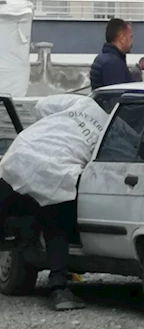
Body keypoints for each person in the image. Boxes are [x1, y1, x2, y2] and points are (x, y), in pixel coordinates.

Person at [0, 95, 109, 311]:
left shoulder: (83, 103)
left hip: (23, 152)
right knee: (56, 226)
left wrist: (53, 127)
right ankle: (58, 289)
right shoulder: (115, 131)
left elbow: (41, 105)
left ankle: (25, 234)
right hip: (57, 171)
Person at [90, 19, 134, 90]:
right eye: (130, 37)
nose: (132, 42)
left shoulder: (103, 58)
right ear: (122, 38)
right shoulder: (114, 63)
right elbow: (118, 93)